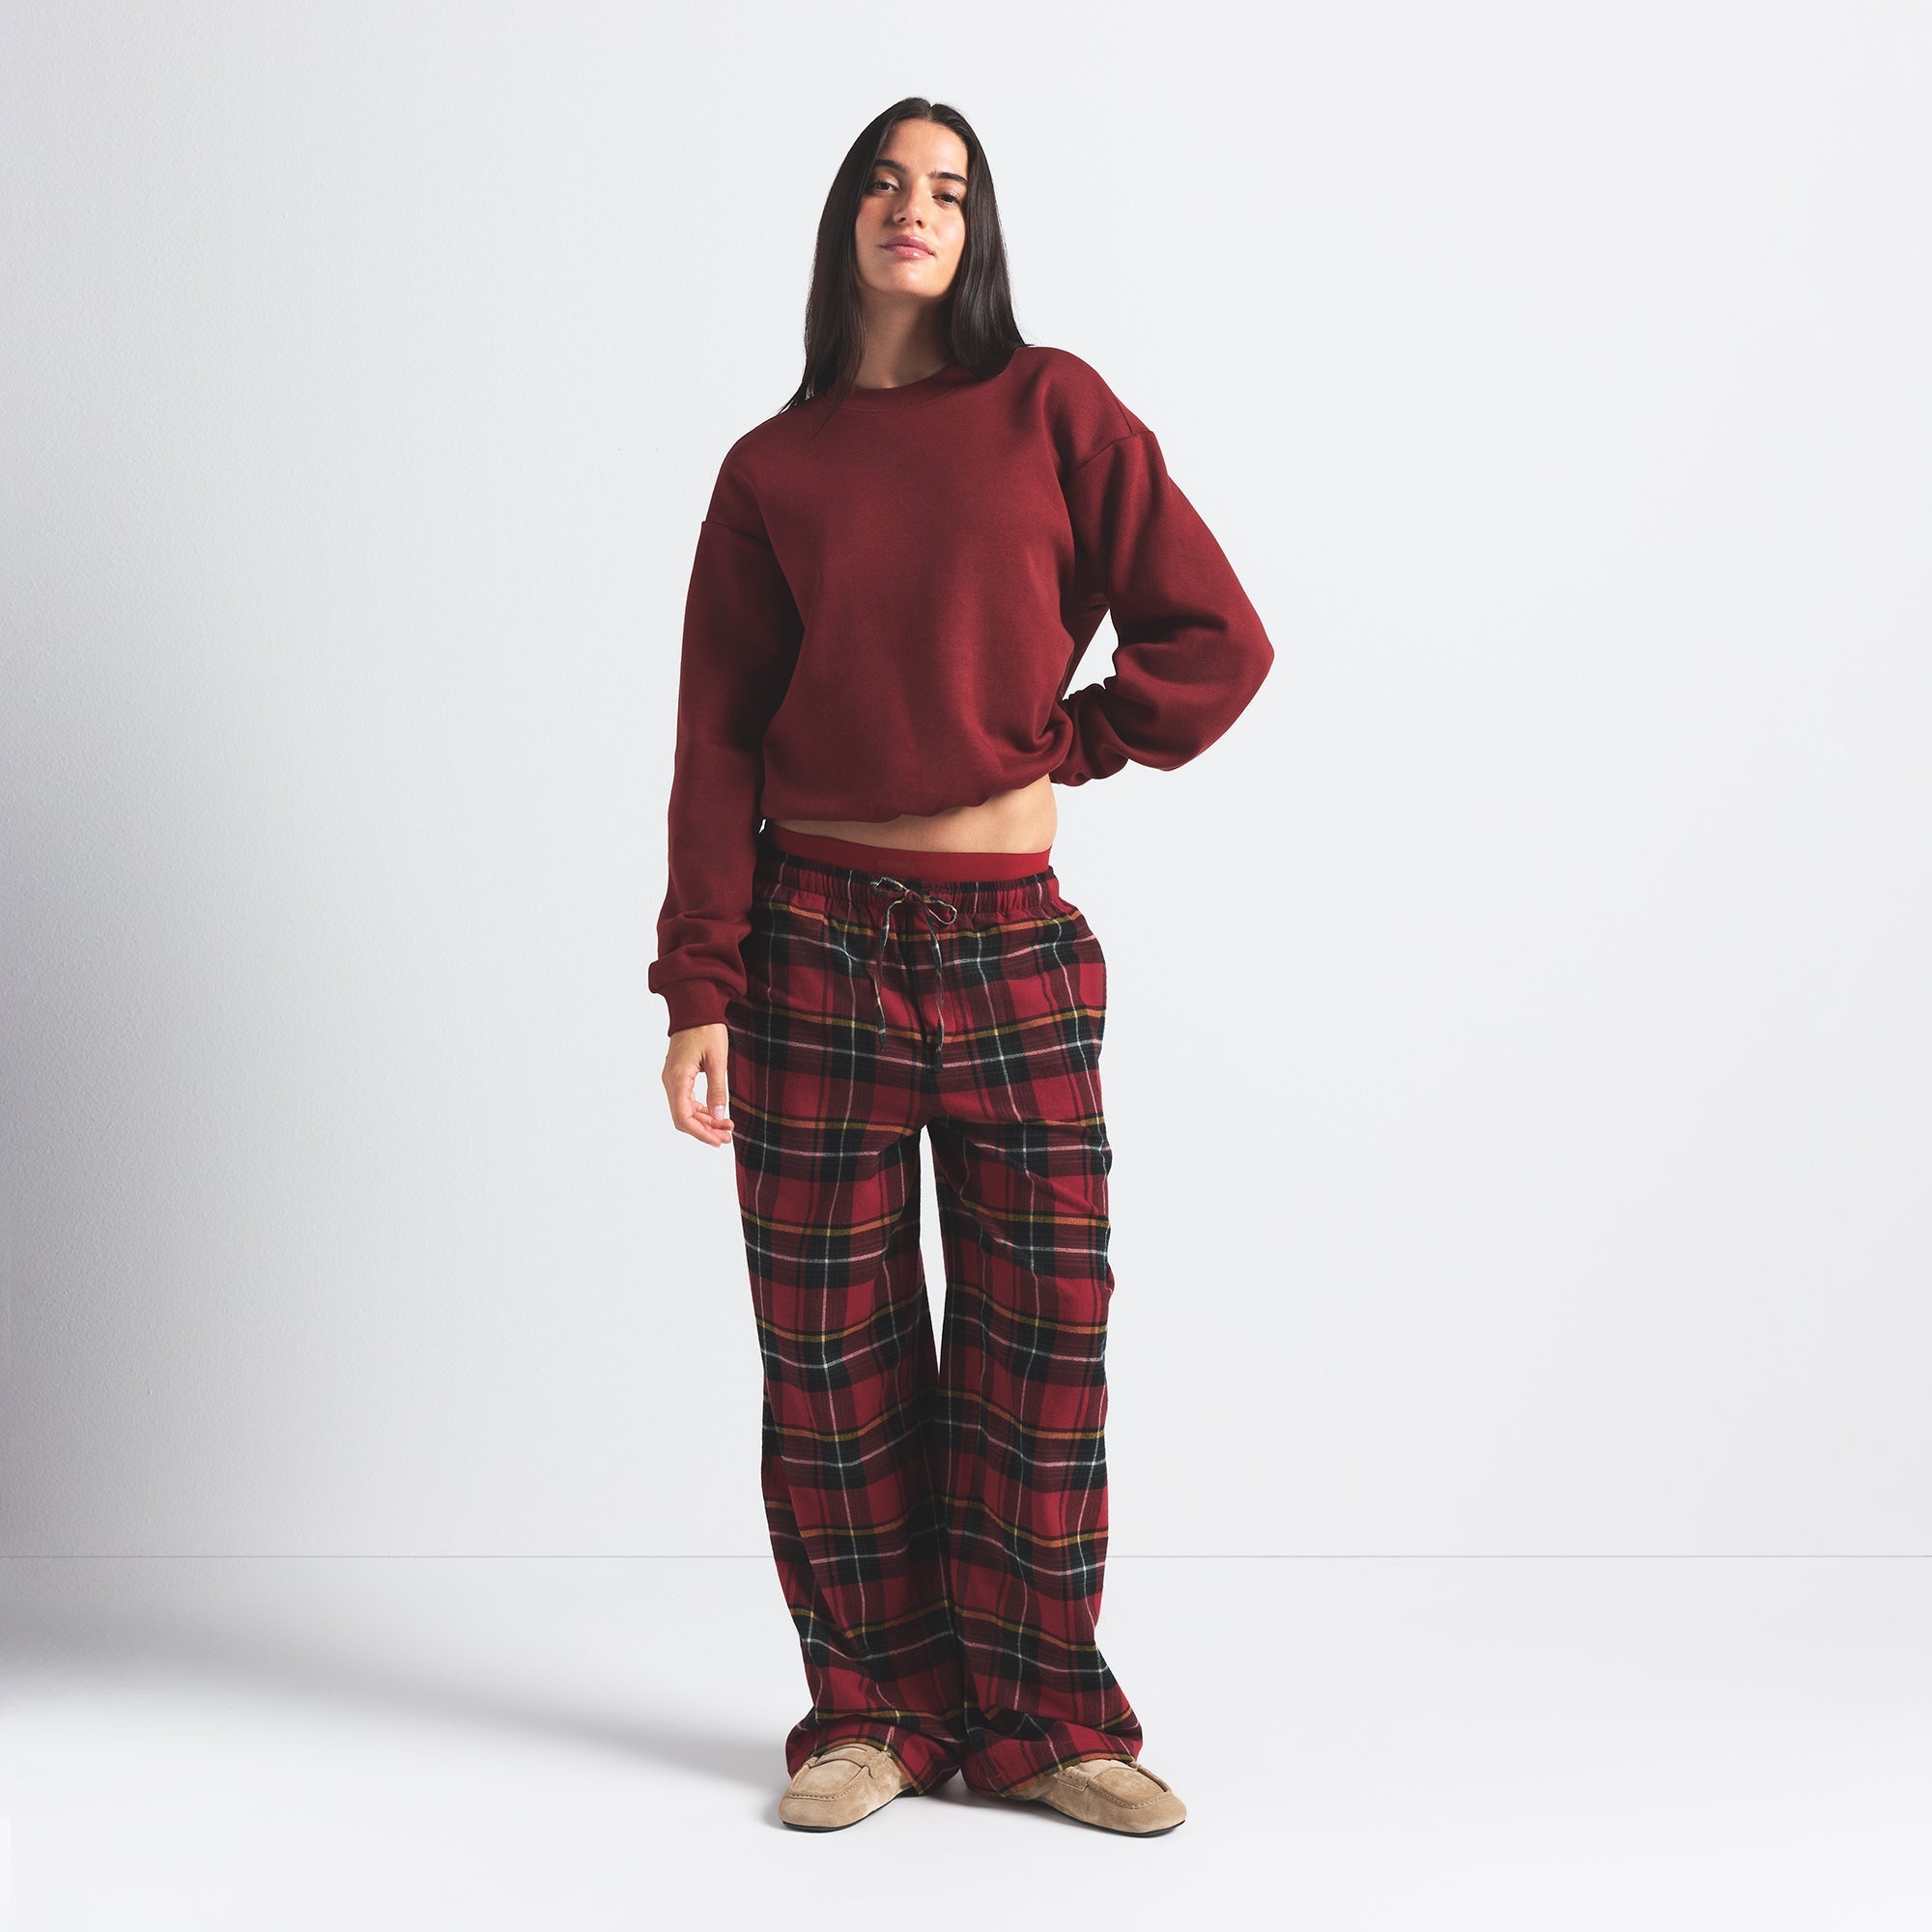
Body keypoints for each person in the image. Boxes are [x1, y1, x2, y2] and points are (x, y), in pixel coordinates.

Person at [649, 96, 1273, 1836]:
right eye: (884, 181)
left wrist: (1075, 741)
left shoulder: (1052, 407)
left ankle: (1045, 1718)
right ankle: (872, 1713)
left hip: (1010, 950)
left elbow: (1217, 638)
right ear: (843, 217)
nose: (913, 207)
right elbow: (715, 736)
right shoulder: (773, 469)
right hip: (810, 947)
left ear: (977, 228)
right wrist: (699, 983)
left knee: (1043, 1334)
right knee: (830, 1349)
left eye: (947, 188)